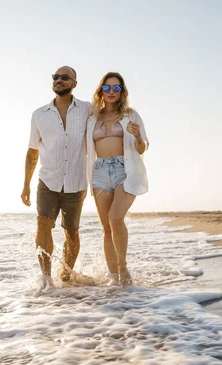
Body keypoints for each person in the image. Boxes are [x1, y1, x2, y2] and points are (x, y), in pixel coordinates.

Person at [21, 66, 91, 288]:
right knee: (43, 224)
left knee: (71, 232)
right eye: (55, 77)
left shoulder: (88, 110)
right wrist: (26, 185)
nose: (59, 80)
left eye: (64, 77)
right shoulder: (39, 114)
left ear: (74, 84)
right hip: (47, 180)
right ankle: (46, 277)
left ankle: (67, 275)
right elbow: (33, 152)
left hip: (76, 181)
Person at [85, 72, 149, 286]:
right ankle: (114, 279)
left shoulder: (131, 115)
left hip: (126, 169)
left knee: (115, 218)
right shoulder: (92, 118)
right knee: (106, 228)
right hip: (100, 171)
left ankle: (123, 268)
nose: (111, 92)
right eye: (107, 87)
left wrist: (138, 136)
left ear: (122, 91)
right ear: (100, 91)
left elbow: (142, 148)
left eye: (116, 88)